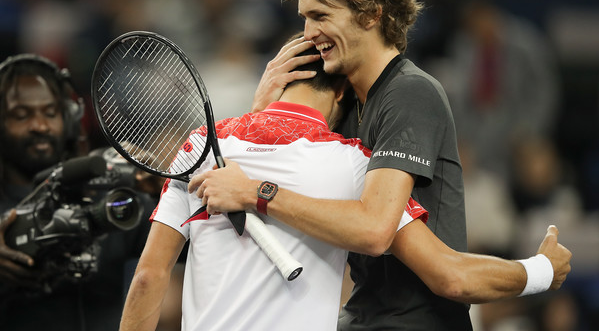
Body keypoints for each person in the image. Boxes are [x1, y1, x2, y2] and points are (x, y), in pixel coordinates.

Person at [191, 0, 570, 330]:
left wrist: (541, 271)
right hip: (362, 317)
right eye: (305, 17)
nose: (308, 33)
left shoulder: (411, 93)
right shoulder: (343, 104)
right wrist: (262, 110)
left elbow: (377, 231)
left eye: (320, 16)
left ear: (371, 14)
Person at [119, 44, 430, 331]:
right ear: (342, 91)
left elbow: (149, 276)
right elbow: (448, 275)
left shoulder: (200, 144)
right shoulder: (356, 163)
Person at [0, 54, 154, 331]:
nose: (40, 126)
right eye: (21, 115)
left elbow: (193, 249)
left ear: (70, 119)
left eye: (50, 113)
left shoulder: (108, 194)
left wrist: (164, 192)